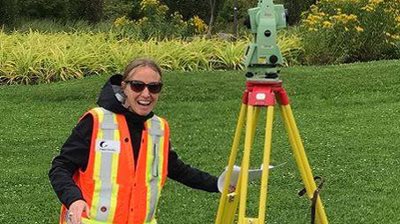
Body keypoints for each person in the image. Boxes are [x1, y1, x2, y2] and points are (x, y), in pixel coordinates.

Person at [49, 58, 219, 224]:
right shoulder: (96, 121)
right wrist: (74, 199)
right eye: (138, 86)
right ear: (125, 87)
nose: (146, 94)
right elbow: (61, 167)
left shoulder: (159, 129)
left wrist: (219, 184)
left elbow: (176, 169)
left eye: (154, 87)